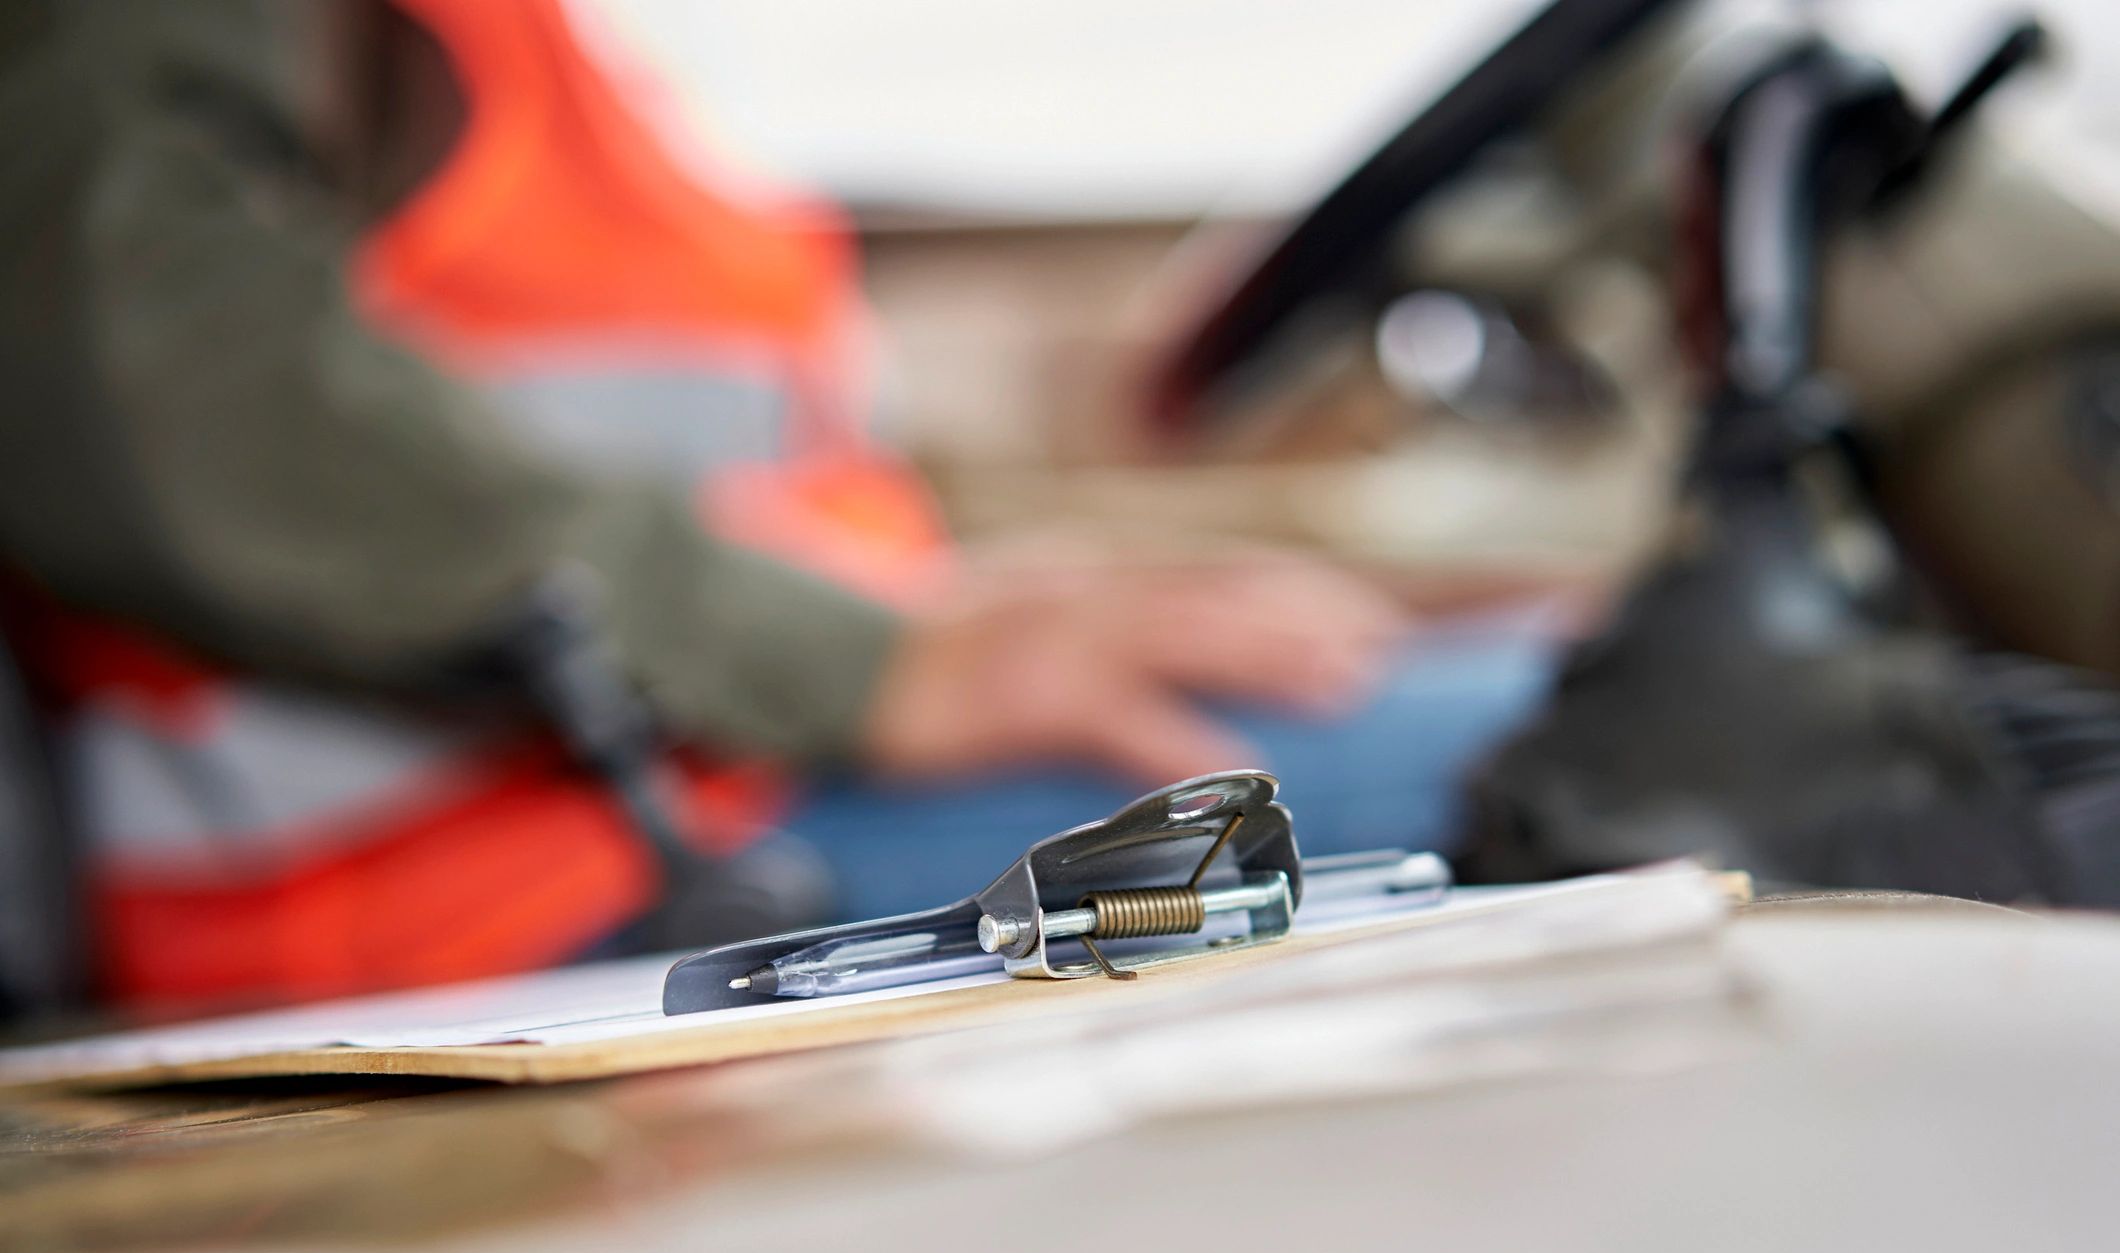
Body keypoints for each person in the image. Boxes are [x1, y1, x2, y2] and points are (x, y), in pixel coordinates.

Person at [0, 0, 1553, 1009]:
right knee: (1604, 731)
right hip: (515, 900)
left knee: (1544, 672)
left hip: (710, 781)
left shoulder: (527, 54)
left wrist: (941, 600)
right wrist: (871, 660)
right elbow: (127, 373)